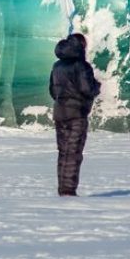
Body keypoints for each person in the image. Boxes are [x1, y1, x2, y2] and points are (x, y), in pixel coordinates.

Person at [49, 32, 100, 196]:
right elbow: (87, 89)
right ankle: (68, 191)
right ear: (80, 46)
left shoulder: (57, 66)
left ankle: (63, 189)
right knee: (73, 153)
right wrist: (96, 87)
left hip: (59, 112)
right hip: (76, 113)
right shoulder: (81, 66)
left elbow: (52, 90)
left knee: (63, 152)